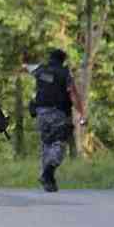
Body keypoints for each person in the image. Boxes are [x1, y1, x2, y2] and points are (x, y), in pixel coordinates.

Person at [28, 49, 86, 192]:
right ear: (63, 60)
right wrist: (82, 113)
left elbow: (28, 69)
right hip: (58, 112)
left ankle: (48, 180)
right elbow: (73, 93)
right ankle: (48, 171)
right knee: (59, 143)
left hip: (41, 112)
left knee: (46, 144)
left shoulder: (41, 70)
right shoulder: (64, 73)